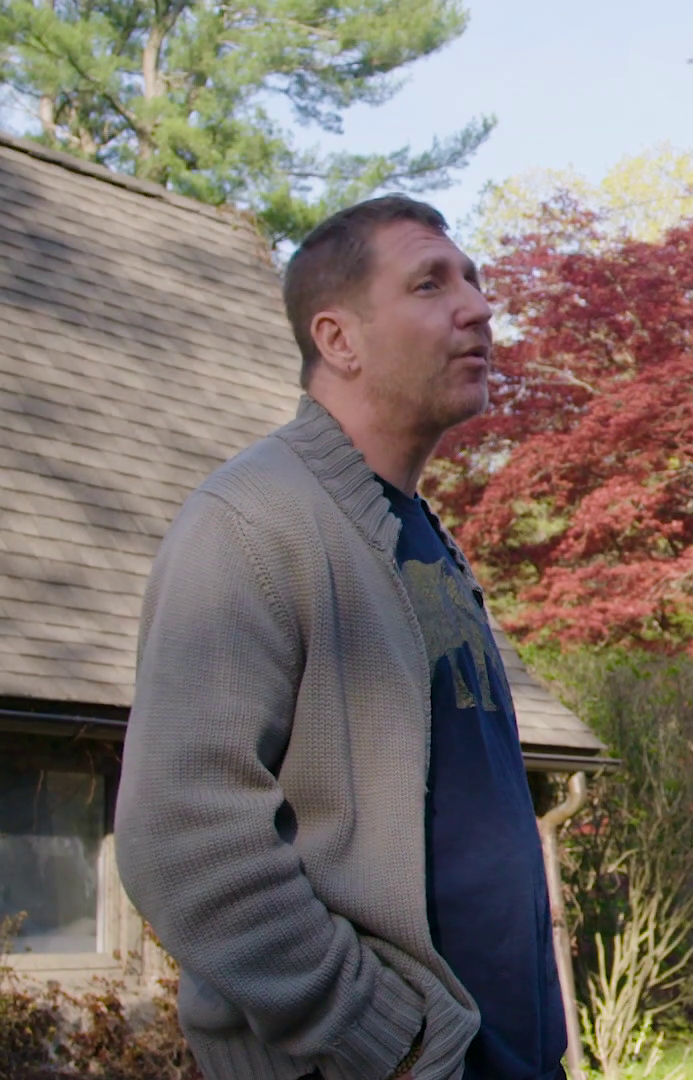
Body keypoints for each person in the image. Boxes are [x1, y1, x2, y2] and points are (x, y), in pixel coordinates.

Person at [116, 196, 565, 1080]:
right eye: (430, 284)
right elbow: (182, 839)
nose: (478, 307)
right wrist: (378, 1037)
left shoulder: (421, 538)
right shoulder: (251, 522)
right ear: (339, 339)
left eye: (473, 280)